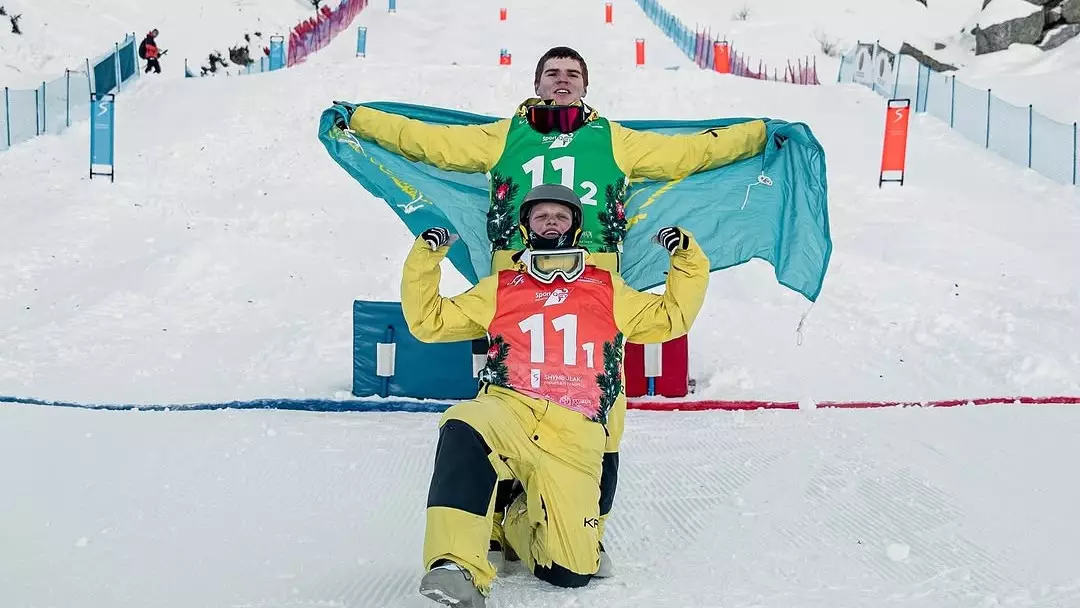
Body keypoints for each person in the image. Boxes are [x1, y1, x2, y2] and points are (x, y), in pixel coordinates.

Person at [335, 45, 765, 571]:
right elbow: (429, 142)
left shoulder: (615, 140)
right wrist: (361, 119)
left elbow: (690, 153)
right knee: (502, 406)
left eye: (572, 74)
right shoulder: (501, 137)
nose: (563, 81)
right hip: (514, 289)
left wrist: (759, 134)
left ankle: (581, 525)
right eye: (553, 73)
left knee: (602, 414)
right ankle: (490, 523)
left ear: (585, 85)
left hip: (595, 292)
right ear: (537, 81)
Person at [402, 184, 709, 607]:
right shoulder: (500, 286)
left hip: (574, 431)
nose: (551, 222)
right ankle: (455, 565)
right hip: (511, 409)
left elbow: (670, 316)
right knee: (464, 422)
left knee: (571, 573)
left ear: (575, 227)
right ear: (526, 226)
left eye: (561, 216)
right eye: (541, 215)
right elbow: (429, 321)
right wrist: (426, 259)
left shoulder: (607, 287)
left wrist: (686, 259)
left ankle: (513, 518)